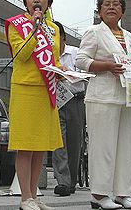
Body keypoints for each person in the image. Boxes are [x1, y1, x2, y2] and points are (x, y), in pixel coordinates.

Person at [76, 0, 131, 210]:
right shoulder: (94, 32)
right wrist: (106, 66)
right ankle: (99, 194)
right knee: (102, 147)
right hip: (102, 96)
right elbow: (81, 61)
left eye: (116, 4)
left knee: (126, 146)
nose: (112, 7)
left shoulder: (129, 36)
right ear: (100, 10)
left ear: (122, 10)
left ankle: (123, 193)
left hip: (127, 95)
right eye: (107, 4)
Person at [5, 0, 63, 210]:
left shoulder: (55, 29)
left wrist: (63, 71)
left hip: (46, 89)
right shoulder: (16, 24)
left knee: (40, 146)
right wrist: (33, 28)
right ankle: (25, 198)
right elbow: (21, 55)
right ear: (25, 1)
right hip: (25, 89)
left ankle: (35, 197)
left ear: (48, 1)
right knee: (25, 145)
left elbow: (55, 59)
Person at [51, 21, 85, 197]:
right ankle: (62, 182)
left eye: (55, 36)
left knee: (74, 142)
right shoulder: (47, 56)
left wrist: (67, 75)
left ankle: (71, 181)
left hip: (75, 100)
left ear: (62, 37)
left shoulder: (75, 53)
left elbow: (85, 75)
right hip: (55, 102)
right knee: (59, 142)